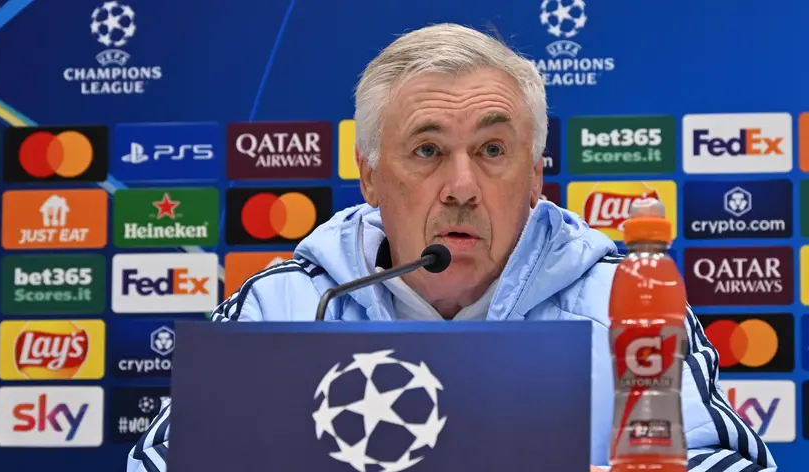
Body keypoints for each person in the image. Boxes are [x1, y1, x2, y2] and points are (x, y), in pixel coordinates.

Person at [127, 23, 776, 472]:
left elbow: (729, 461)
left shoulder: (623, 301)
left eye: (492, 150)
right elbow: (160, 461)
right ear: (371, 177)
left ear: (535, 177)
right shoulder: (286, 307)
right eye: (427, 150)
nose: (462, 186)